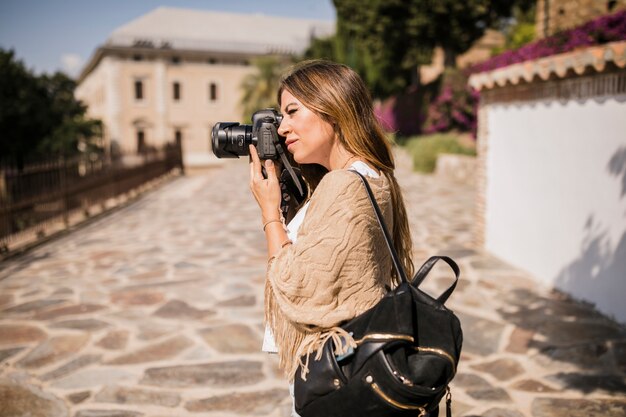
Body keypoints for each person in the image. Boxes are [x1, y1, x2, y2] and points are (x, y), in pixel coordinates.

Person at [248, 59, 415, 414]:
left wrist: (269, 212)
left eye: (292, 112)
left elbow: (297, 286)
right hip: (354, 364)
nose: (282, 128)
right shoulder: (371, 174)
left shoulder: (343, 185)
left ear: (332, 107)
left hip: (336, 372)